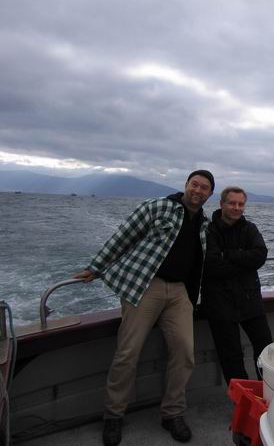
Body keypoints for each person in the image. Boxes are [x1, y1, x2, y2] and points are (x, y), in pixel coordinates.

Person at [73, 170, 215, 446]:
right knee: (127, 353)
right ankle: (113, 415)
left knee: (185, 352)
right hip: (146, 286)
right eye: (194, 184)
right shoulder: (157, 206)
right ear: (186, 185)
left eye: (204, 187)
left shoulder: (205, 224)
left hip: (180, 293)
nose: (198, 190)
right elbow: (123, 237)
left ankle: (172, 413)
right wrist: (95, 267)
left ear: (210, 194)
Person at [202, 186, 273, 384]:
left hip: (250, 300)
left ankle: (266, 390)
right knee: (230, 355)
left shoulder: (250, 228)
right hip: (219, 302)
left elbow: (260, 255)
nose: (237, 207)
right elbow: (212, 265)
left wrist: (228, 254)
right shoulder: (209, 230)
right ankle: (242, 397)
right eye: (232, 203)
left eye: (241, 204)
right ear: (221, 204)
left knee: (265, 349)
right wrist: (244, 261)